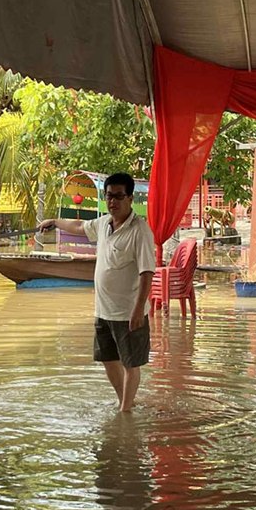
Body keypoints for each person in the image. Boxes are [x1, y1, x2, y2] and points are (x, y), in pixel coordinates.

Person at [39, 173, 155, 411]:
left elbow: (146, 273)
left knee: (131, 364)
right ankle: (125, 402)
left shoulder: (140, 230)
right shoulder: (103, 224)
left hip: (128, 312)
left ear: (130, 198)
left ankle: (125, 412)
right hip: (103, 310)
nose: (113, 201)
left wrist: (137, 311)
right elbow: (79, 227)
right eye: (109, 196)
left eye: (119, 196)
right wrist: (55, 221)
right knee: (108, 360)